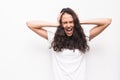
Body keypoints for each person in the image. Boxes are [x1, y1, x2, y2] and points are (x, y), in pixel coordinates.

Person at [26, 7, 112, 80]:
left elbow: (107, 21)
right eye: (65, 22)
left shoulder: (84, 37)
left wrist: (78, 22)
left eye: (71, 22)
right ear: (61, 24)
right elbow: (30, 24)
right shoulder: (53, 38)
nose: (68, 25)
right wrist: (57, 24)